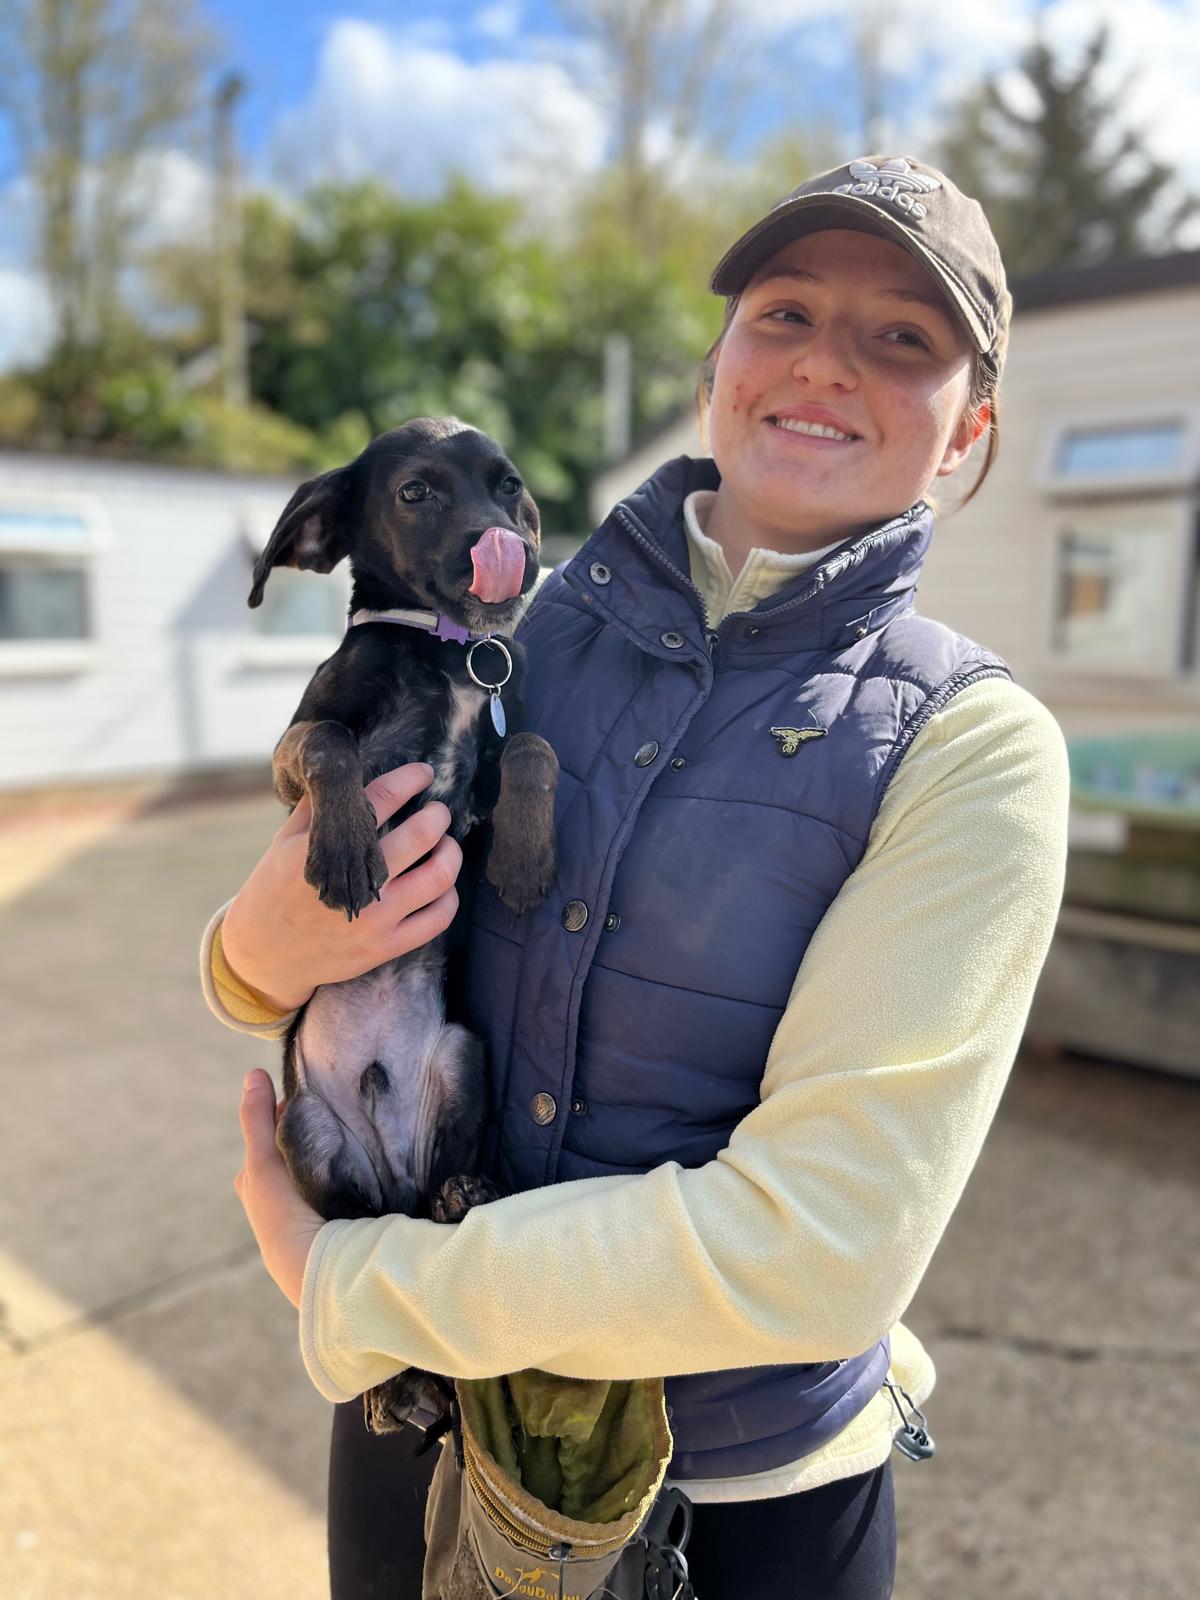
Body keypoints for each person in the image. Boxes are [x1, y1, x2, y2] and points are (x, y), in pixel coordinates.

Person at [212, 154, 1070, 1599]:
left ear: (970, 426)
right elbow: (296, 927)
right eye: (785, 311)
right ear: (713, 365)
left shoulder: (973, 749)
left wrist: (360, 1286)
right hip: (421, 1427)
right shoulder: (512, 637)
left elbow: (825, 1251)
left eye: (904, 338)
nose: (825, 365)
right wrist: (248, 954)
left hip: (728, 1497)